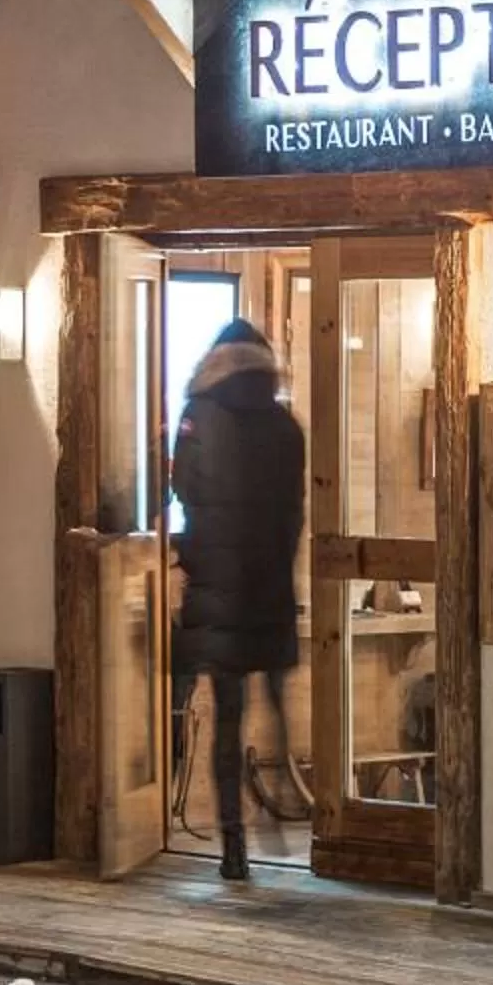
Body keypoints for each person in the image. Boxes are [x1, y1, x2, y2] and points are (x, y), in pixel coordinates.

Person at [171, 318, 304, 882]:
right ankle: (285, 804)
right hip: (269, 584)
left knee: (227, 720)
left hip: (216, 587)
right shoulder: (284, 424)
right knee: (276, 703)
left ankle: (234, 846)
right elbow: (294, 507)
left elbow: (182, 487)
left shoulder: (199, 416)